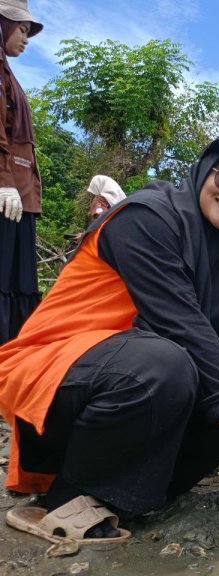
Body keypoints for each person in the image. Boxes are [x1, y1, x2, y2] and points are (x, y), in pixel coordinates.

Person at [0, 129, 219, 545]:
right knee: (169, 364)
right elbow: (180, 323)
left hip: (128, 371)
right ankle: (63, 500)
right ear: (204, 172)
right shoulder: (148, 218)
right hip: (51, 371)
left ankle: (132, 498)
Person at [0, 0, 43, 345]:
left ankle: (14, 358)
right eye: (22, 29)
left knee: (18, 282)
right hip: (7, 197)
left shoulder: (7, 72)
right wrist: (2, 182)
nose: (26, 39)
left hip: (21, 199)